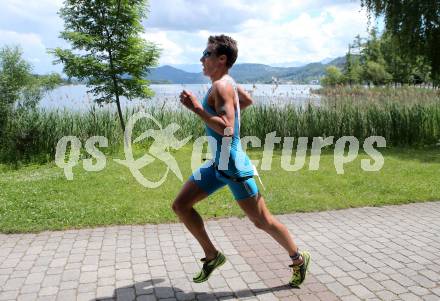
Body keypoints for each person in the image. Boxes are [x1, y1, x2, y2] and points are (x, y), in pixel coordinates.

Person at [173, 34, 310, 286]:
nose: (201, 59)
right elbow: (246, 101)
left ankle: (299, 259)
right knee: (181, 205)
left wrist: (197, 109)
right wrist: (223, 110)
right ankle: (212, 256)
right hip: (218, 163)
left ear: (221, 59)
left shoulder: (223, 86)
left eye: (206, 54)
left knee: (262, 221)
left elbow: (227, 128)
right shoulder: (227, 84)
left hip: (233, 166)